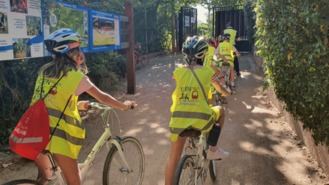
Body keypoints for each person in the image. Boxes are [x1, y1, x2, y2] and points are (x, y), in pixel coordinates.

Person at [32, 28, 136, 185]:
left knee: (46, 179)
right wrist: (124, 106)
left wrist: (78, 104)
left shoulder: (44, 71)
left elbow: (52, 98)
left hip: (35, 132)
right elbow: (102, 97)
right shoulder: (74, 76)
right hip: (56, 137)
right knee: (74, 181)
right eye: (77, 49)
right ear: (70, 52)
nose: (80, 53)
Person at [165, 36, 230, 185]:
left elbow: (179, 82)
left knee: (172, 160)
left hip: (177, 121)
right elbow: (221, 90)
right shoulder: (208, 72)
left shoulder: (178, 72)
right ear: (204, 55)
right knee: (221, 111)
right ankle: (213, 148)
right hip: (201, 119)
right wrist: (227, 92)